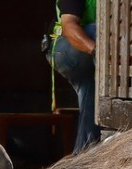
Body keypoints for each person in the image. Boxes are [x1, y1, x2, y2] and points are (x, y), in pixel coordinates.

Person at [48, 0, 101, 153]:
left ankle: (84, 154)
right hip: (66, 48)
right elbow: (69, 27)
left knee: (92, 94)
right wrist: (99, 51)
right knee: (98, 30)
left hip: (93, 56)